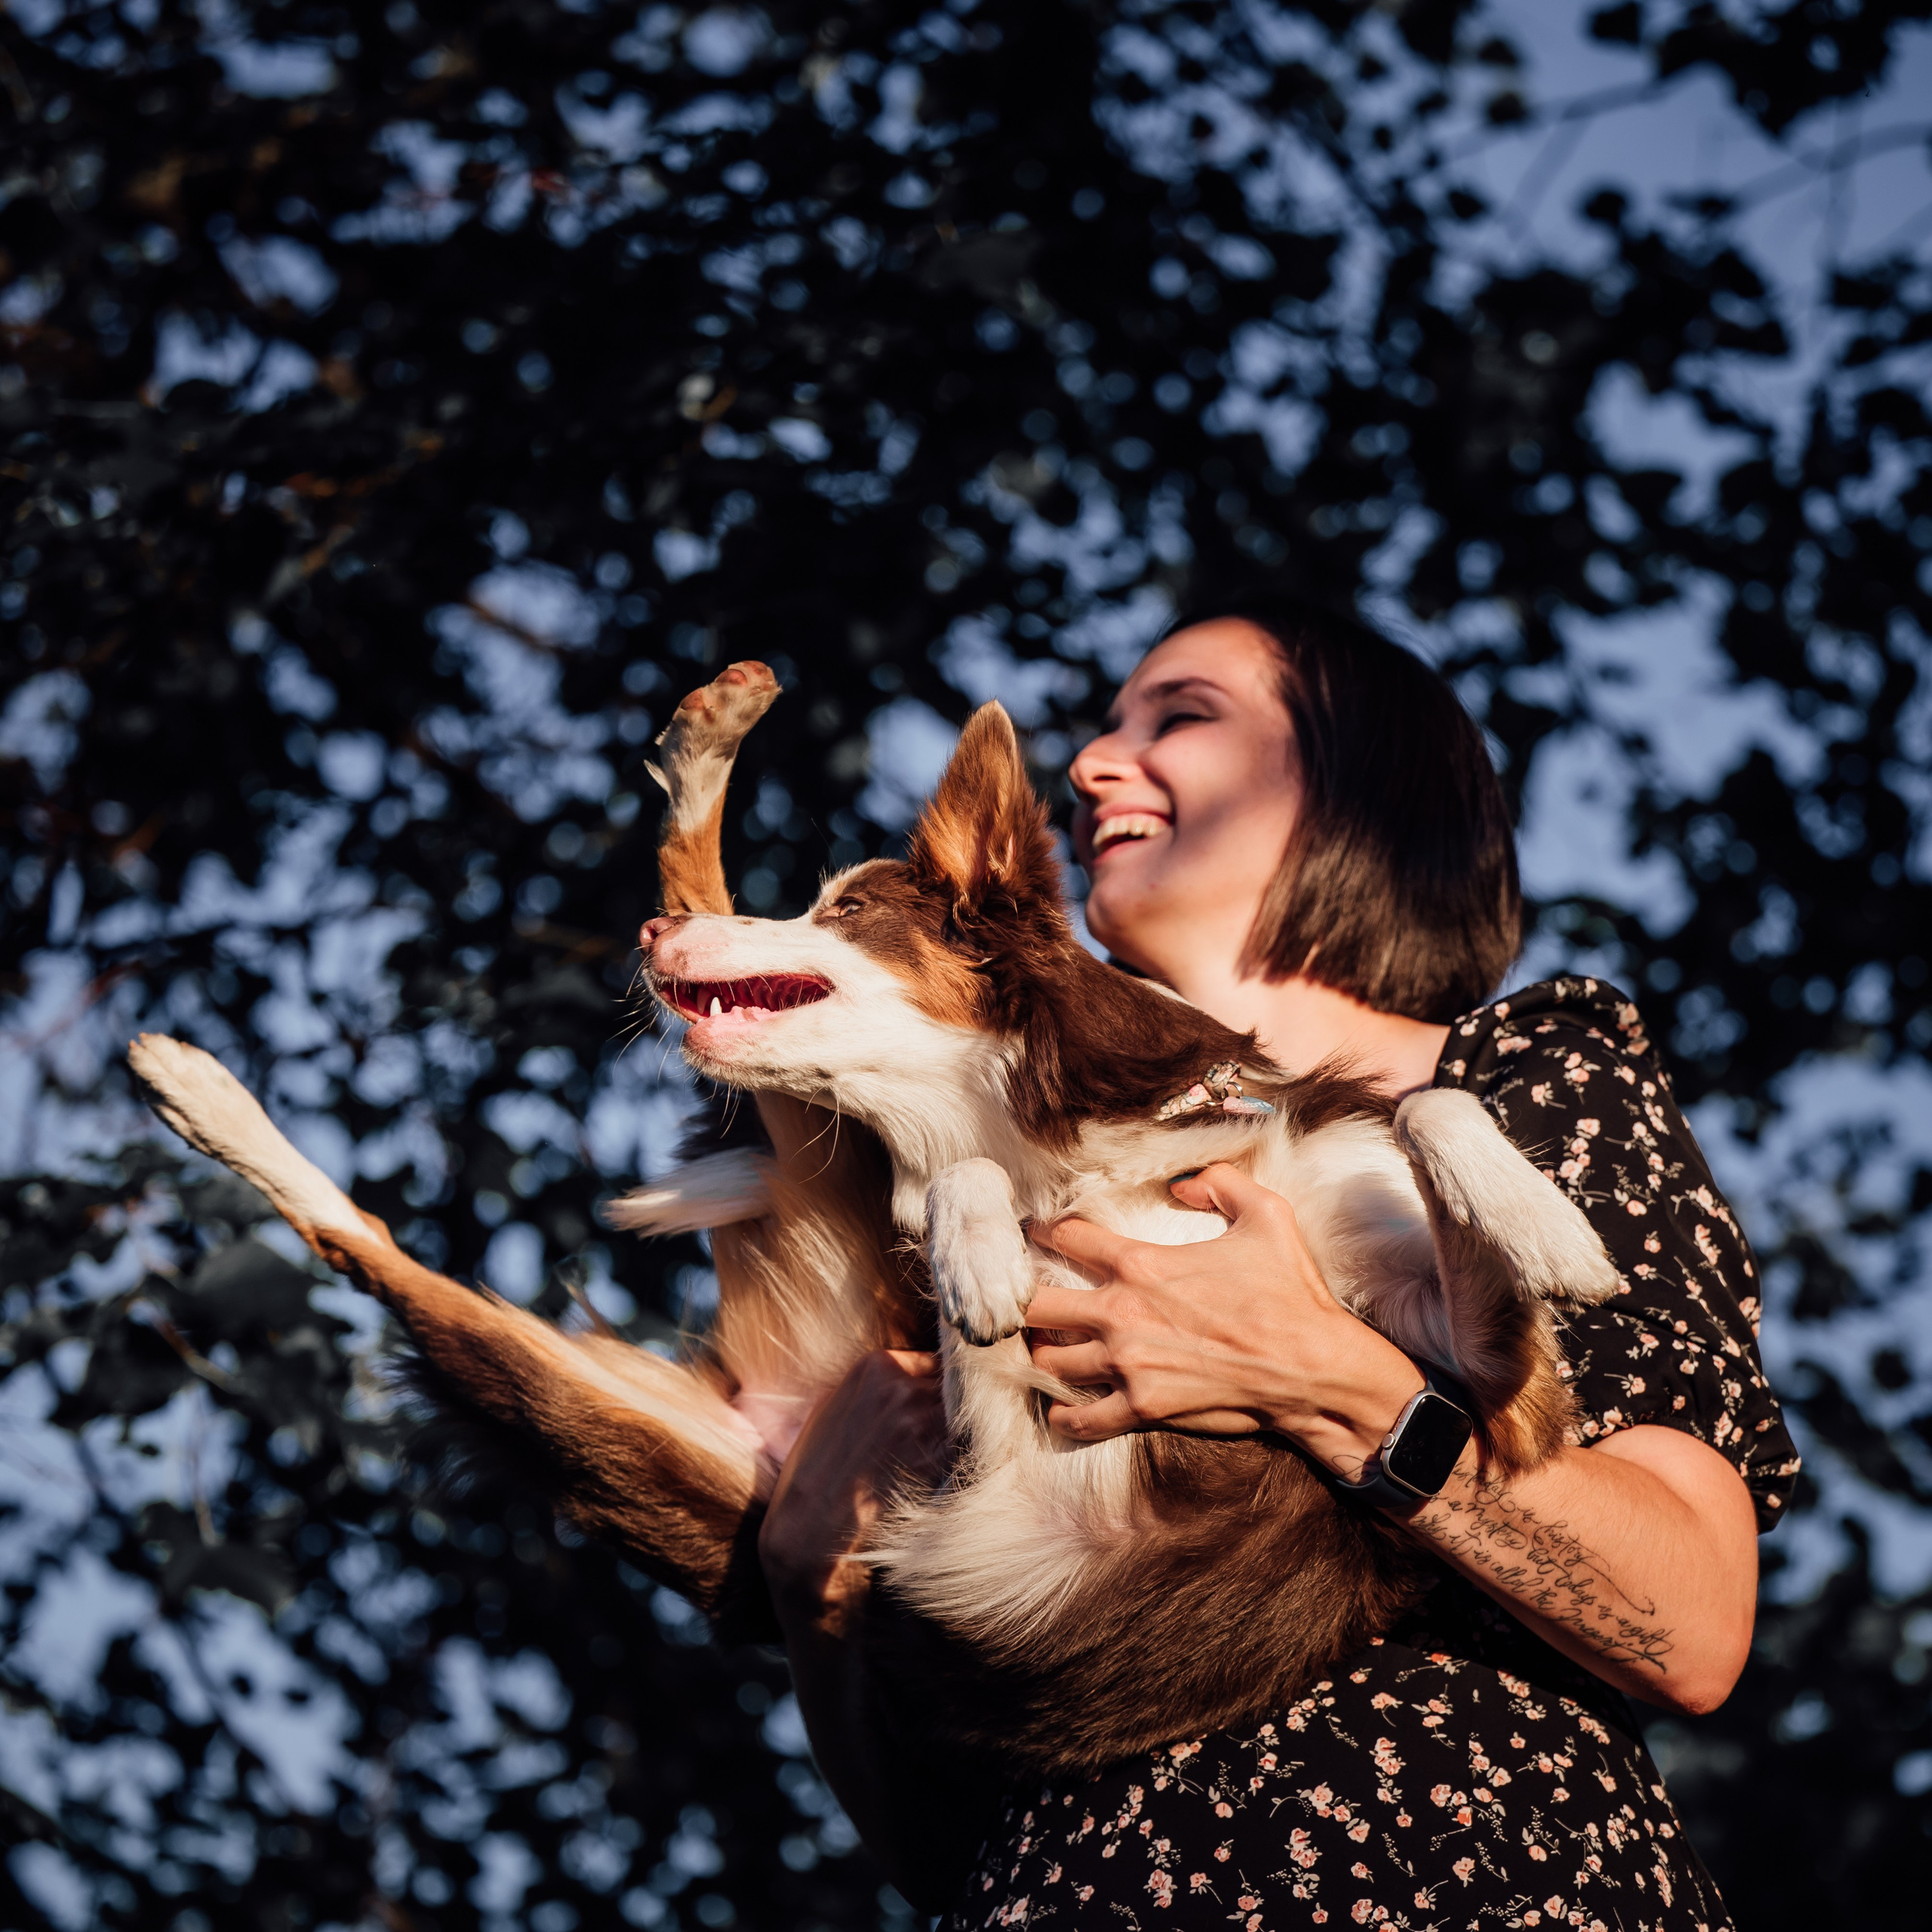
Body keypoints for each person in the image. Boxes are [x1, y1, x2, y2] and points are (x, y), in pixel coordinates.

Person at [758, 599, 1798, 1929]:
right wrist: (811, 1598)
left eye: (1180, 717)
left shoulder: (1521, 1081)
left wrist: (1325, 1379)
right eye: (1108, 726)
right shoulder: (965, 1196)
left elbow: (1692, 1622)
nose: (1087, 765)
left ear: (1365, 794)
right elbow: (936, 1843)